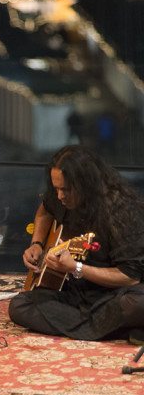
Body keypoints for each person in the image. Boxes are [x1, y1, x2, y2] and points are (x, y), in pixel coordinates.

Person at [9, 145, 144, 340]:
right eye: (56, 189)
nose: (60, 196)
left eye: (66, 190)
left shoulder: (120, 210)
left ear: (85, 184)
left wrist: (76, 268)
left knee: (136, 303)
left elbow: (129, 277)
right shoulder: (60, 198)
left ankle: (98, 325)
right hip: (76, 292)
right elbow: (45, 210)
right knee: (19, 305)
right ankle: (116, 329)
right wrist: (37, 243)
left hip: (115, 294)